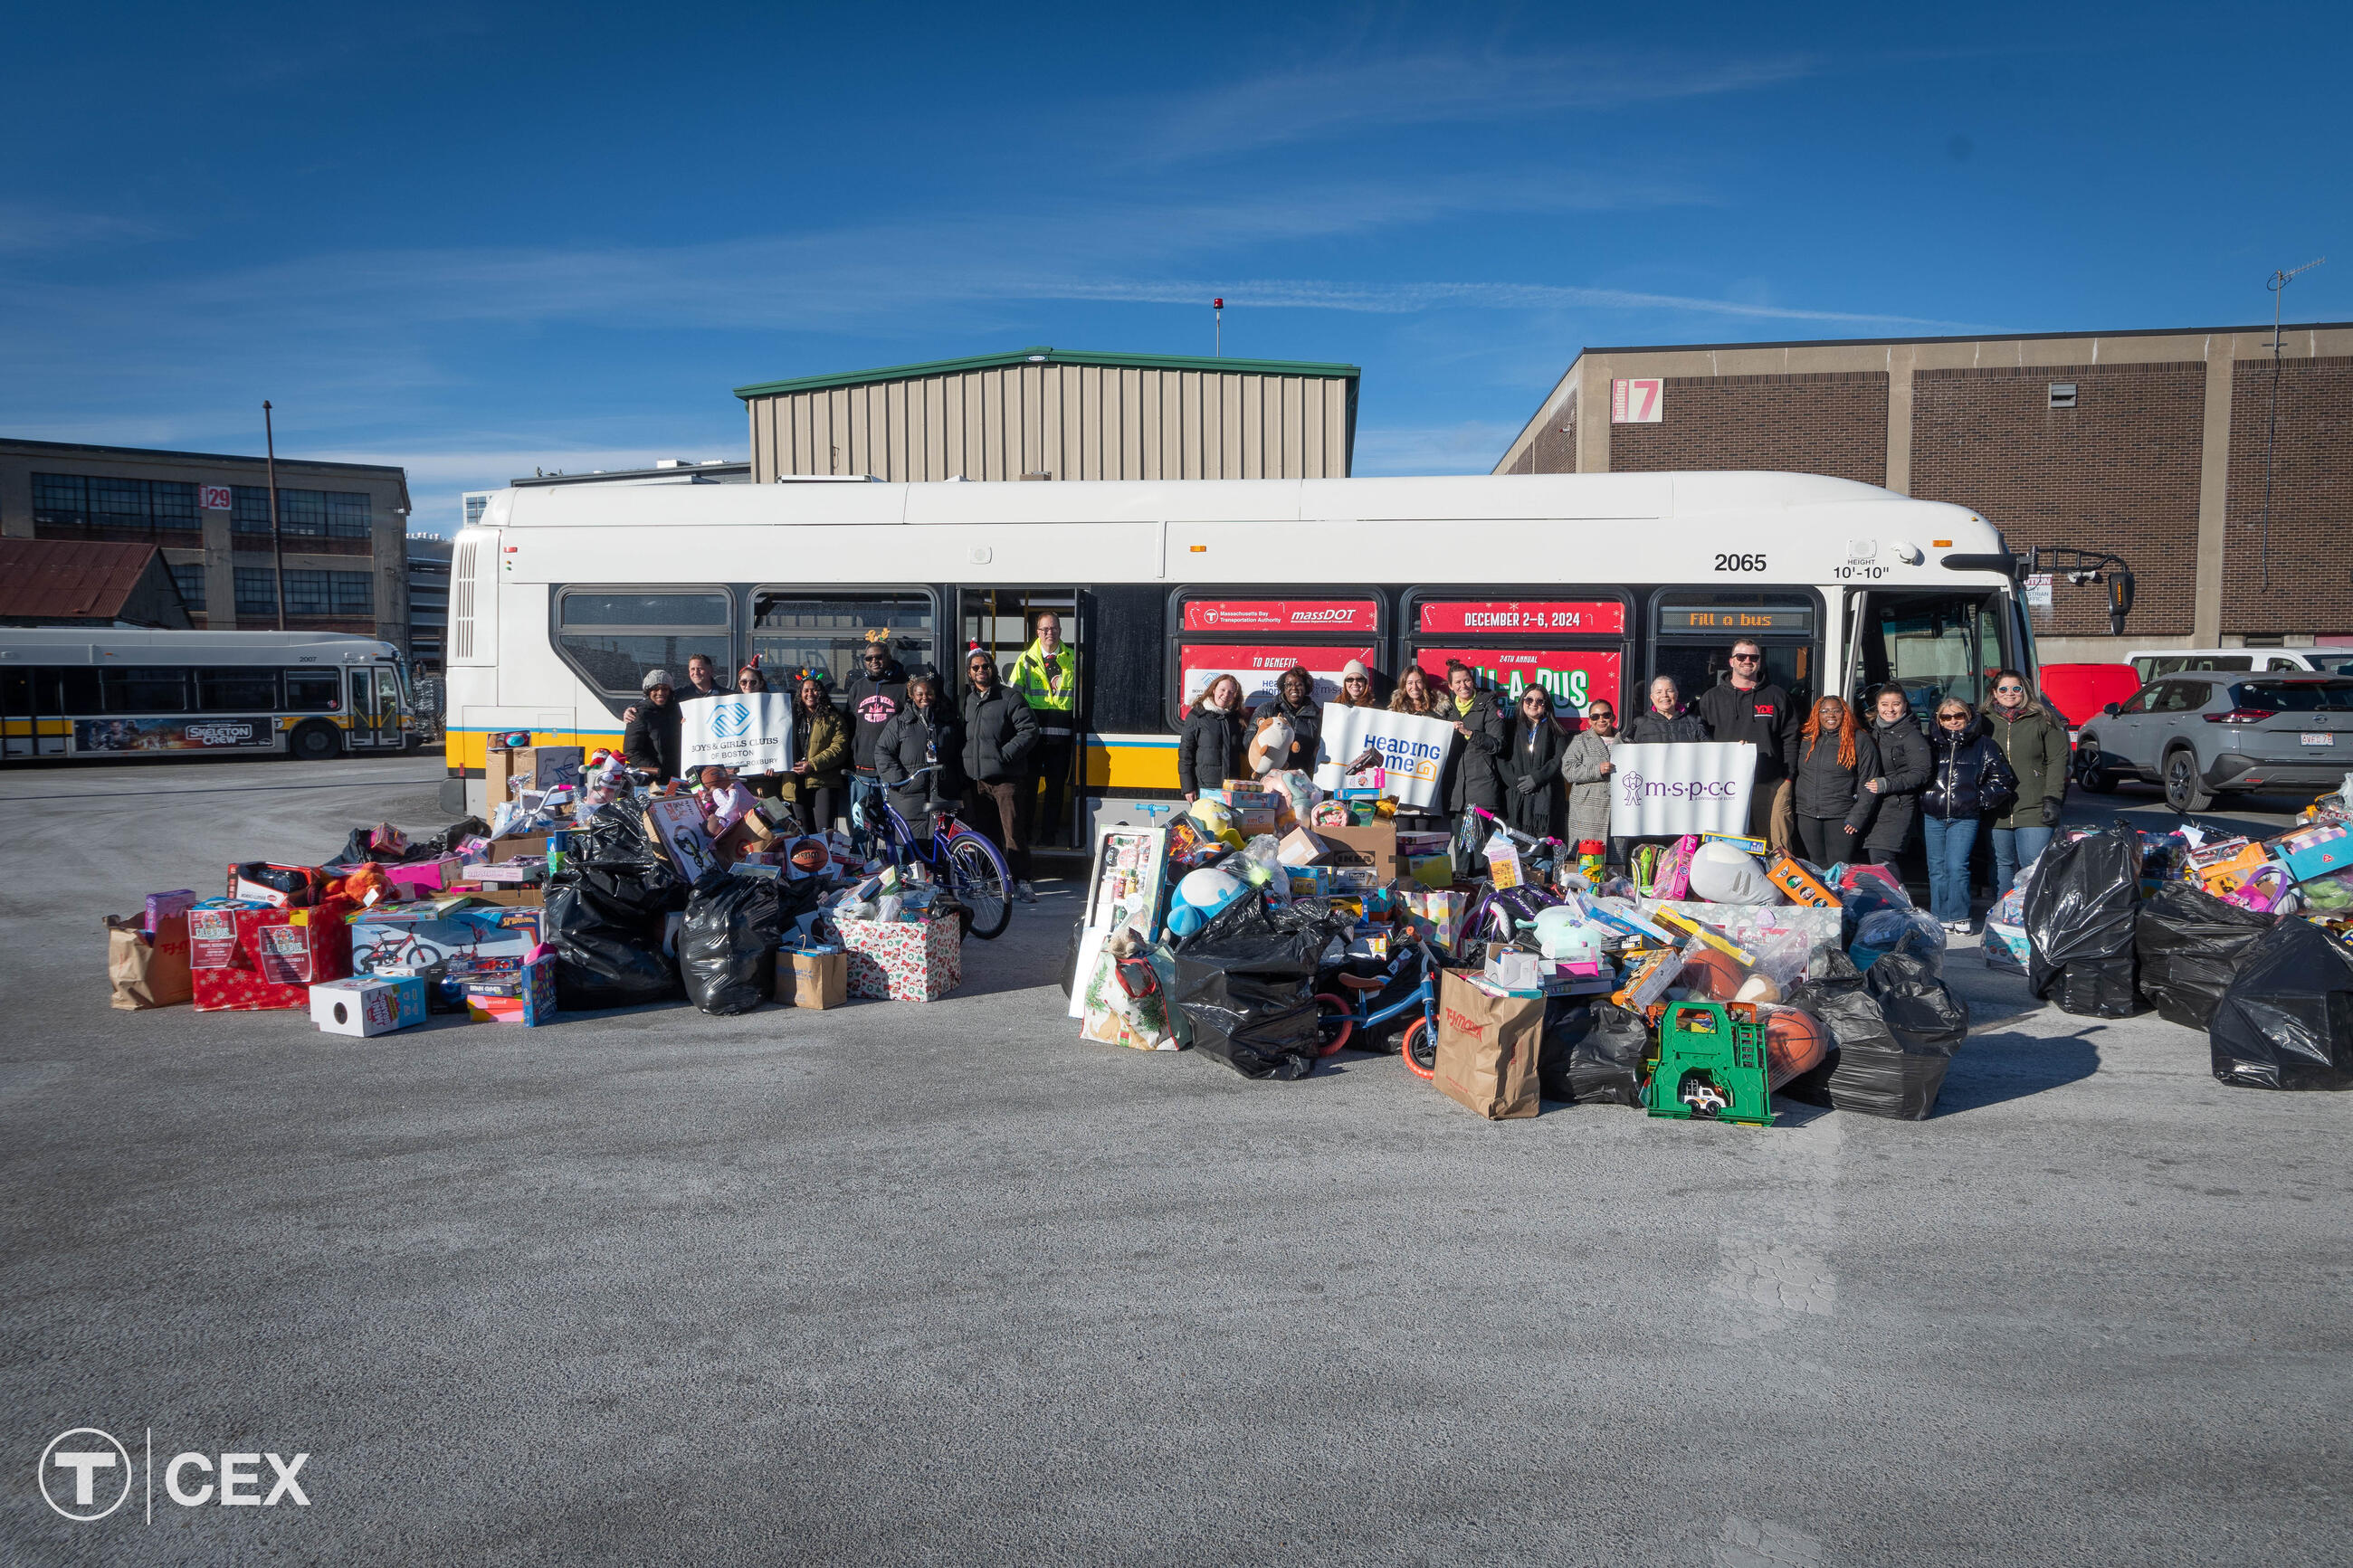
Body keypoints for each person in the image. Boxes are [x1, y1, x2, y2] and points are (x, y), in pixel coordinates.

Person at [1920, 698, 2020, 933]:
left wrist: (1975, 800)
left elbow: (2002, 780)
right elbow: (1916, 773)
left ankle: (1959, 916)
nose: (1953, 721)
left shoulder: (1984, 745)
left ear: (1968, 717)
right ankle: (1940, 916)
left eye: (1959, 716)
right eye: (1947, 717)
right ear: (1938, 719)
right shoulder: (1929, 744)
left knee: (1957, 866)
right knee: (1936, 867)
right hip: (1932, 815)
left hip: (1964, 817)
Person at [1695, 637, 1799, 841]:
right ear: (1731, 661)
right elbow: (1701, 739)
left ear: (1759, 661)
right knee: (1728, 843)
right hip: (1724, 786)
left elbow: (1791, 738)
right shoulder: (1711, 698)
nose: (1747, 660)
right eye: (1741, 656)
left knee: (1773, 844)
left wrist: (1789, 777)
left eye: (1753, 657)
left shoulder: (1777, 696)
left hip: (1769, 781)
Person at [961, 647, 1040, 902]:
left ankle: (1022, 881)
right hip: (978, 780)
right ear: (969, 673)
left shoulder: (1010, 697)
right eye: (976, 667)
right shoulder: (968, 700)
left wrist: (1004, 756)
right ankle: (993, 881)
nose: (981, 670)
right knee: (986, 834)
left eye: (986, 666)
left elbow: (1029, 730)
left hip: (1006, 779)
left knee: (1013, 832)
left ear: (993, 669)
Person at [1984, 669, 2070, 894]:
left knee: (2033, 865)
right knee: (2001, 864)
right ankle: (2002, 913)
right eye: (2003, 689)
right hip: (1997, 807)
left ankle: (2031, 912)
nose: (2009, 694)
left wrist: (2053, 798)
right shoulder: (1982, 721)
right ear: (1994, 693)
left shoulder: (2044, 719)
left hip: (2034, 806)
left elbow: (2057, 761)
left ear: (2025, 691)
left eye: (2016, 689)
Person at [1006, 613, 1076, 851]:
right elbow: (1012, 698)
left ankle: (1049, 836)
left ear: (1060, 630)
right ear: (1037, 632)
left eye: (1054, 628)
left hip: (1061, 740)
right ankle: (1024, 835)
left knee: (1056, 791)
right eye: (1044, 629)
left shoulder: (1073, 660)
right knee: (1028, 788)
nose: (1050, 633)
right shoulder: (1025, 660)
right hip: (1032, 740)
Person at [1785, 695, 1881, 866]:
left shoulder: (1859, 740)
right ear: (1817, 714)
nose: (1831, 715)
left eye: (1836, 711)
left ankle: (1837, 894)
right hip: (1807, 814)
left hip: (1841, 816)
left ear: (1845, 713)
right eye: (1825, 711)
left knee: (1839, 867)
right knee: (1816, 864)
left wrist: (1857, 817)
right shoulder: (1807, 738)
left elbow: (1869, 783)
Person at [874, 671, 959, 840]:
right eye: (920, 694)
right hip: (909, 797)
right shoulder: (899, 723)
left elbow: (960, 752)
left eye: (929, 693)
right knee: (913, 850)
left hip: (943, 795)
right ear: (912, 696)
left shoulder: (948, 721)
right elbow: (882, 751)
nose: (924, 698)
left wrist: (956, 779)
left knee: (941, 849)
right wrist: (901, 780)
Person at [845, 632, 910, 853]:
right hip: (861, 770)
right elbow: (849, 726)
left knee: (896, 825)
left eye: (879, 657)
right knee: (860, 825)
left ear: (889, 657)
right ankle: (862, 871)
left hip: (892, 769)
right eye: (869, 658)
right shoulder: (857, 688)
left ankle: (900, 871)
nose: (874, 661)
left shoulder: (903, 687)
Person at [1859, 684, 1931, 868]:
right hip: (1874, 804)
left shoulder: (1911, 736)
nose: (1890, 709)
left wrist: (1887, 784)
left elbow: (1921, 773)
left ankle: (1894, 897)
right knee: (1874, 858)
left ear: (1905, 706)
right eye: (1884, 704)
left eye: (1896, 704)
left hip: (1898, 804)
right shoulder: (1873, 732)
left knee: (1881, 857)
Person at [778, 675, 848, 836]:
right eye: (806, 690)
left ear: (822, 693)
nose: (810, 694)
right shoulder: (788, 718)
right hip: (794, 782)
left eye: (815, 690)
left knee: (823, 832)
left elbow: (839, 748)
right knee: (801, 832)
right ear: (800, 694)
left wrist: (813, 764)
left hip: (823, 781)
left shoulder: (834, 718)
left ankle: (826, 861)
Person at [1497, 686, 1564, 839]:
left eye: (1540, 701)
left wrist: (1537, 779)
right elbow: (1500, 758)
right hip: (1515, 795)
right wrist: (1516, 782)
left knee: (1542, 848)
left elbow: (1558, 760)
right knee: (1515, 844)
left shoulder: (1556, 729)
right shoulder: (1509, 727)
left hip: (1544, 796)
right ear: (1522, 701)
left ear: (1546, 705)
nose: (1534, 704)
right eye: (1529, 699)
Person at [1559, 698, 1618, 860]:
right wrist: (1597, 770)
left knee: (1614, 863)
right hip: (1587, 810)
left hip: (1617, 811)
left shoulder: (1625, 742)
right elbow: (1568, 770)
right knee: (1587, 860)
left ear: (1613, 717)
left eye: (1605, 715)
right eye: (1595, 716)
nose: (1601, 720)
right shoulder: (1580, 741)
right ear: (1589, 721)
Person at [1177, 674, 1247, 801]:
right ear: (1214, 690)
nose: (1226, 695)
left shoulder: (1237, 719)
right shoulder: (1197, 716)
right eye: (1223, 690)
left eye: (1231, 692)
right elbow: (1185, 753)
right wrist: (1188, 787)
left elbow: (1245, 747)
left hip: (1231, 789)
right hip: (1204, 787)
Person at [729, 664, 784, 799]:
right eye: (743, 682)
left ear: (761, 683)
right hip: (739, 778)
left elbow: (780, 737)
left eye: (753, 682)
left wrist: (778, 766)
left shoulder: (773, 707)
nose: (748, 685)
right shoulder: (729, 707)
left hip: (766, 777)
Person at [621, 669, 683, 784]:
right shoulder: (639, 714)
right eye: (655, 689)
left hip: (679, 778)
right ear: (648, 691)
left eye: (665, 689)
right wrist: (656, 770)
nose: (660, 693)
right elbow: (631, 751)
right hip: (653, 782)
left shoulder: (679, 711)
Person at [1263, 665, 1321, 773]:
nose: (1293, 688)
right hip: (1271, 775)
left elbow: (1320, 749)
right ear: (1283, 688)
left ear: (1306, 687)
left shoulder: (1317, 716)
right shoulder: (1268, 710)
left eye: (1299, 684)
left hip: (1302, 778)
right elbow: (1249, 739)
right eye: (1289, 684)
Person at [1622, 675, 1708, 743]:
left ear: (1676, 694)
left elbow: (1708, 751)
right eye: (1659, 692)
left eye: (1669, 691)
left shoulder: (1694, 721)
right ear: (1652, 697)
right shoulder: (1640, 724)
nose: (1664, 695)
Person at [693, 765, 758, 839]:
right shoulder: (724, 813)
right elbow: (733, 802)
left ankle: (713, 793)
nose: (707, 818)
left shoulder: (725, 826)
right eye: (708, 819)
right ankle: (713, 792)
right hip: (738, 804)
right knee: (717, 791)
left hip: (733, 808)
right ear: (718, 820)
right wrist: (732, 790)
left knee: (716, 792)